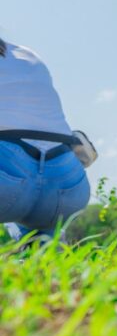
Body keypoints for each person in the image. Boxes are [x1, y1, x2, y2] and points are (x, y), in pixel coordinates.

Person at [0, 36, 94, 241]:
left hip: (7, 180)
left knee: (14, 188)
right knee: (36, 225)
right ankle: (43, 245)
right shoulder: (27, 54)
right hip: (67, 185)